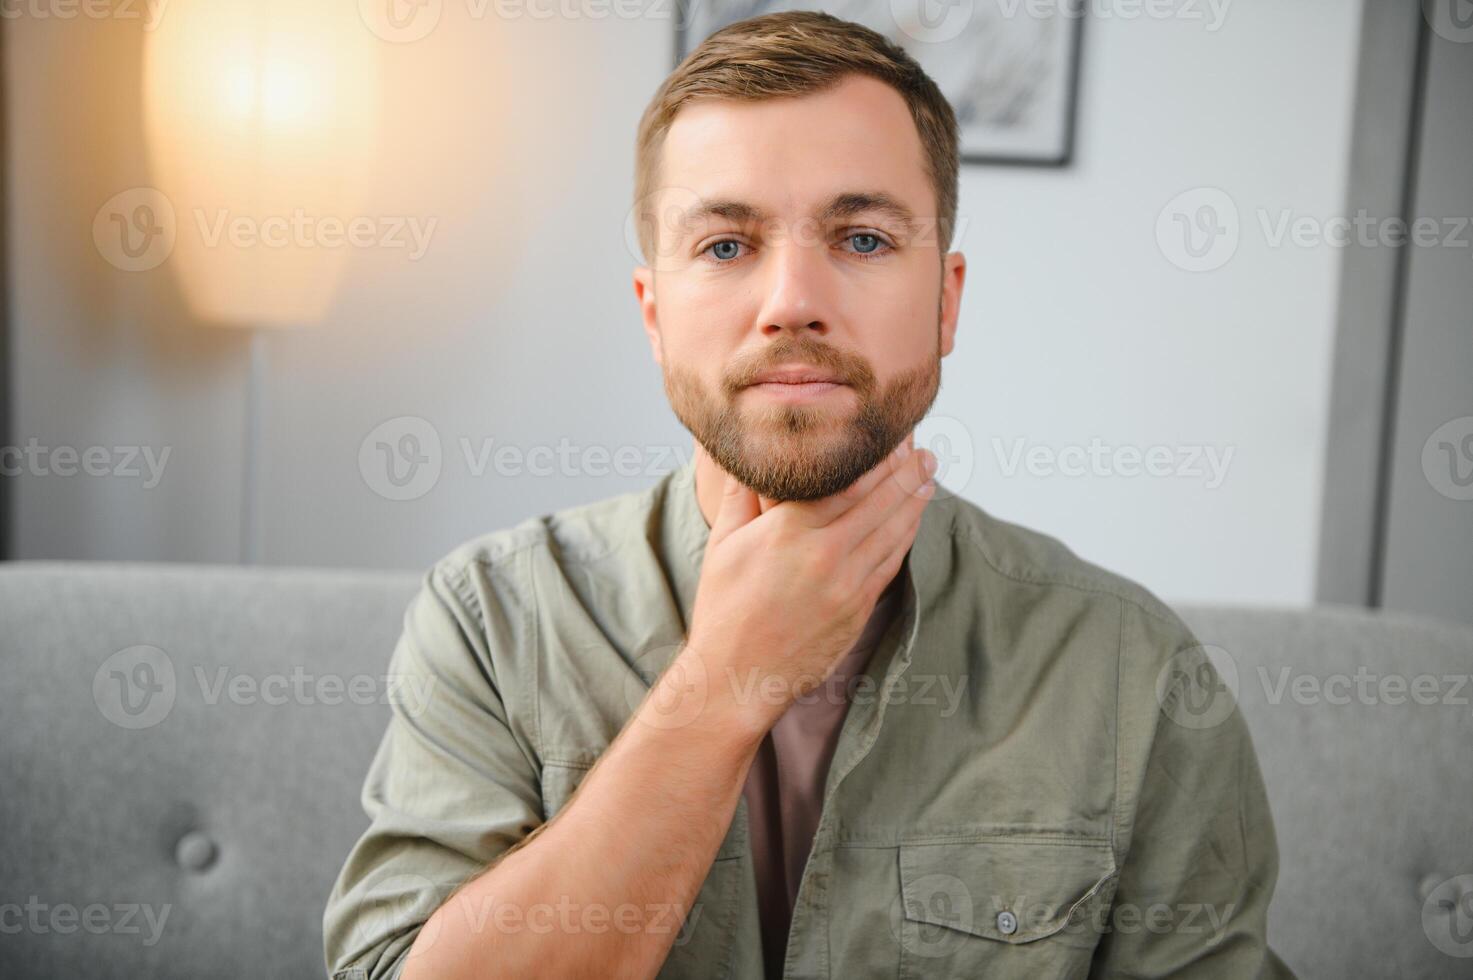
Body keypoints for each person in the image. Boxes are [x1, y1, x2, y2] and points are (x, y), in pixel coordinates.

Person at [324, 11, 1294, 978]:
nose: (792, 298)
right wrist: (726, 679)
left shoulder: (1136, 671)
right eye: (724, 245)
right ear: (653, 313)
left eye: (864, 238)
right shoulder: (492, 617)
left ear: (947, 300)